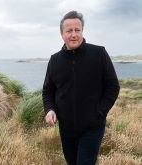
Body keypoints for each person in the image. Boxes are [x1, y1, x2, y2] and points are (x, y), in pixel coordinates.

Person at [42, 11, 120, 165]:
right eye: (69, 31)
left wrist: (100, 112)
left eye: (77, 30)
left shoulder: (99, 53)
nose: (73, 35)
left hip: (93, 126)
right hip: (66, 128)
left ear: (82, 31)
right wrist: (50, 109)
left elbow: (113, 86)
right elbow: (48, 90)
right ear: (62, 34)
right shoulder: (54, 60)